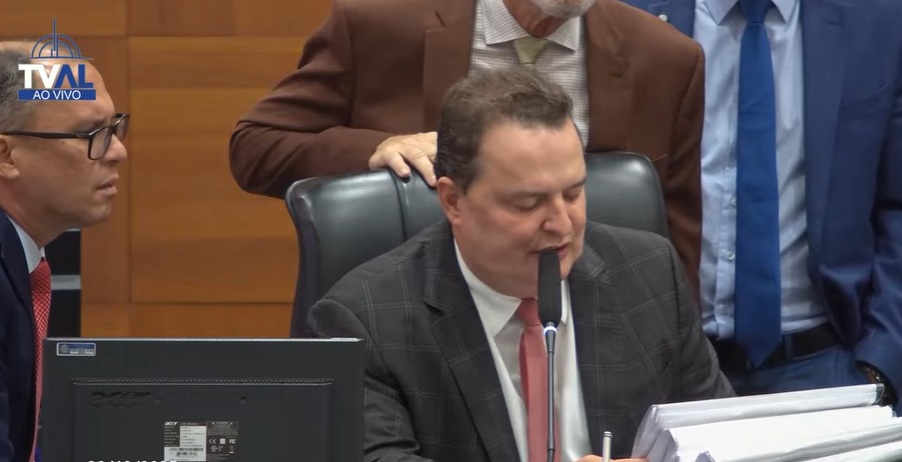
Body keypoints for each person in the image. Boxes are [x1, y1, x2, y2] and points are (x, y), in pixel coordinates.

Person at [306, 66, 733, 462]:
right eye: (528, 203)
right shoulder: (366, 321)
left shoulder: (650, 274)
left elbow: (720, 439)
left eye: (573, 193)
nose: (561, 225)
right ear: (453, 200)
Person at [229, 0, 708, 294]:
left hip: (584, 328)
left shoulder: (664, 58)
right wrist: (374, 150)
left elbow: (676, 234)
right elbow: (256, 146)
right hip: (413, 321)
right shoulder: (377, 21)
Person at [620, 0, 902, 408]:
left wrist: (881, 363)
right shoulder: (631, 15)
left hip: (827, 364)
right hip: (666, 366)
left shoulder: (879, 19)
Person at [0, 41, 128, 461]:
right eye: (90, 134)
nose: (118, 152)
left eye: (115, 128)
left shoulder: (18, 257)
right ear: (6, 155)